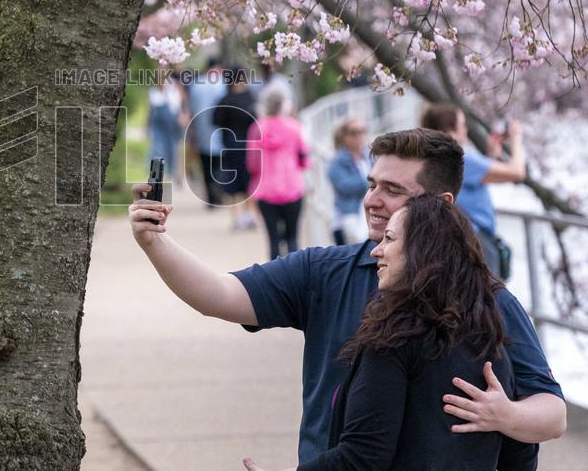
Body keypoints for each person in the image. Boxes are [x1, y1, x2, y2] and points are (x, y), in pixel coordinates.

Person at [127, 128, 565, 465]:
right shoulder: (323, 270)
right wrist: (155, 242)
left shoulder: (487, 298)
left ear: (441, 205)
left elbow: (552, 413)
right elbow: (219, 294)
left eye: (393, 190)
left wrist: (505, 416)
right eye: (371, 183)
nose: (371, 199)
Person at [269, 195, 537, 470]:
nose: (376, 251)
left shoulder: (394, 340)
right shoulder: (492, 341)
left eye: (389, 239)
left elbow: (362, 457)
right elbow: (521, 455)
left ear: (421, 250)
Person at [420, 103, 525, 278]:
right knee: (489, 298)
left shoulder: (434, 159)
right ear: (450, 131)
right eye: (462, 125)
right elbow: (517, 172)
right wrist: (517, 140)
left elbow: (473, 181)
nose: (466, 130)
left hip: (459, 239)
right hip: (477, 240)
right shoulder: (460, 159)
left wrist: (491, 154)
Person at [246, 84, 309, 259]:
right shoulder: (296, 127)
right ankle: (295, 279)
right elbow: (304, 158)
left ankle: (274, 281)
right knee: (292, 237)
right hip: (293, 189)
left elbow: (252, 163)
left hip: (265, 190)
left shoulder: (257, 128)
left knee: (273, 239)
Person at [213, 69, 258, 230]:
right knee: (250, 181)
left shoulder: (224, 100)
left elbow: (216, 120)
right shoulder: (251, 98)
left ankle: (237, 217)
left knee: (233, 183)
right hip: (249, 147)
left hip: (231, 146)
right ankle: (249, 214)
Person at [187, 58, 227, 207]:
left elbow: (191, 111)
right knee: (220, 166)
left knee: (206, 167)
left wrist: (191, 133)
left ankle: (211, 198)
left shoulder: (196, 84)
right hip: (222, 133)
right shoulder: (223, 83)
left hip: (202, 133)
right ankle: (219, 194)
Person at [327, 119, 370, 246]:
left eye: (362, 131)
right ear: (345, 136)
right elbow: (344, 186)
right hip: (349, 211)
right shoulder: (337, 161)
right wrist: (371, 182)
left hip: (368, 208)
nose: (359, 136)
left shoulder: (370, 156)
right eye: (354, 132)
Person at [146, 71, 187, 183]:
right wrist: (148, 128)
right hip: (159, 128)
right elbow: (150, 112)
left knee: (174, 151)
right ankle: (157, 176)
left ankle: (176, 174)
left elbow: (182, 106)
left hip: (173, 126)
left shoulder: (174, 91)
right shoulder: (154, 93)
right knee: (157, 151)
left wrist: (183, 116)